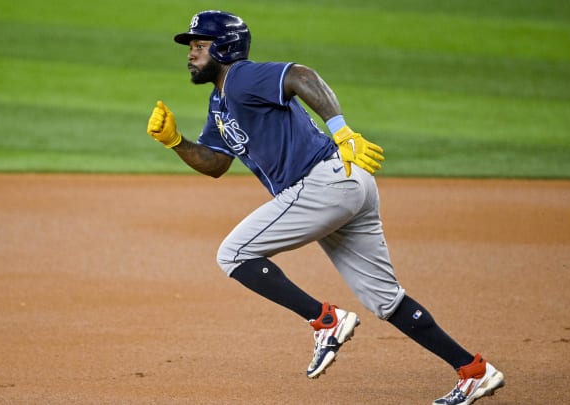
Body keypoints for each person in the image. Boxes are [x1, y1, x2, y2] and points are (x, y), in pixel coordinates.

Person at [146, 10, 505, 405]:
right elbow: (216, 163)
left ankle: (326, 321)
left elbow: (301, 76)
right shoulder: (221, 100)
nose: (191, 53)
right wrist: (176, 141)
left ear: (226, 47)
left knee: (233, 253)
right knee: (386, 301)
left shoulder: (241, 76)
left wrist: (343, 131)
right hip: (346, 184)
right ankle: (474, 371)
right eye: (191, 46)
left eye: (200, 44)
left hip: (323, 183)